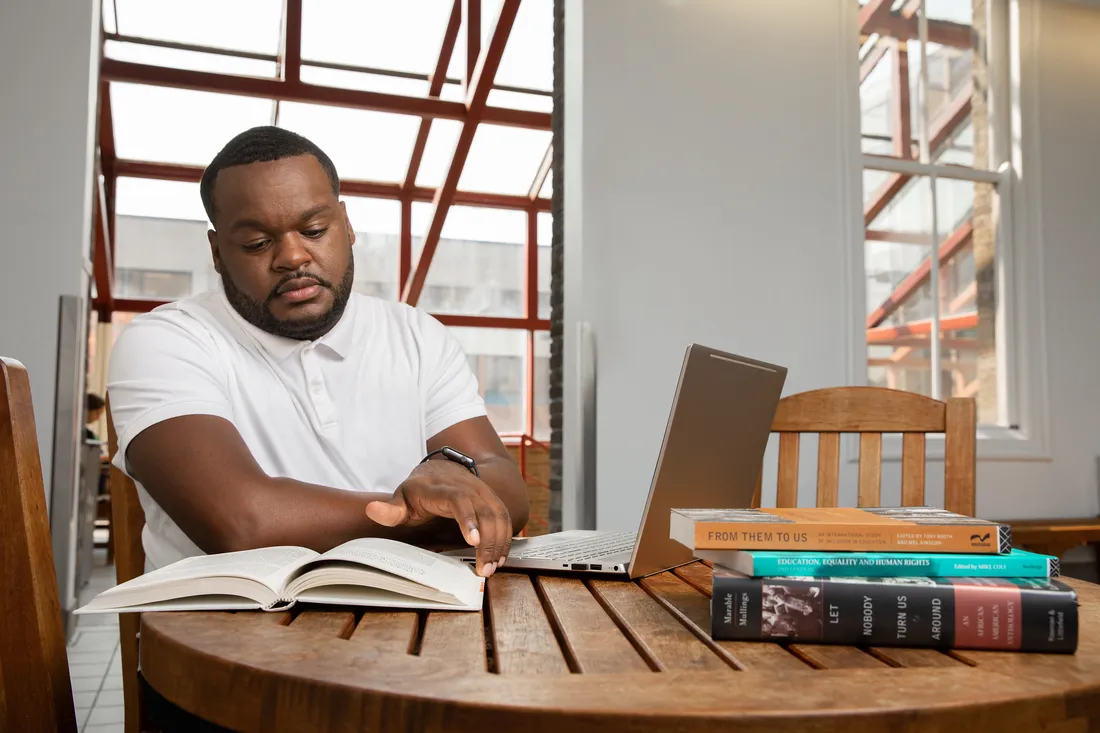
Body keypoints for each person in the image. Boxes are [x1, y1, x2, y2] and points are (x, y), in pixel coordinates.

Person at [106, 126, 530, 585]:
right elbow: (241, 523)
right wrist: (417, 510)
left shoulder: (417, 336)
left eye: (313, 230)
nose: (292, 256)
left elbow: (504, 488)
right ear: (217, 252)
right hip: (219, 640)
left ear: (346, 225)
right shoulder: (165, 341)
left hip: (409, 627)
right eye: (256, 244)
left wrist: (460, 498)